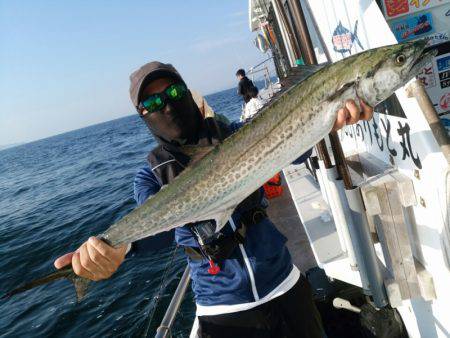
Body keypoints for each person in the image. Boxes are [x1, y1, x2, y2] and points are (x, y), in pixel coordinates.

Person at [54, 61, 373, 337]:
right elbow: (162, 232)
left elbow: (292, 149)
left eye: (174, 93)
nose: (166, 106)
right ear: (143, 116)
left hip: (284, 283)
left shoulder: (237, 134)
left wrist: (328, 123)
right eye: (151, 103)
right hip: (222, 308)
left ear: (188, 94)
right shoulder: (151, 176)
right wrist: (119, 248)